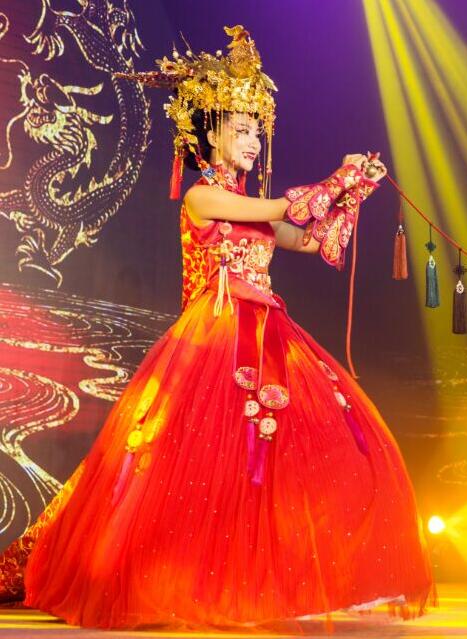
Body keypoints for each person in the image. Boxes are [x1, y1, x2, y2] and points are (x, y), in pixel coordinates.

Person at [11, 26, 433, 628]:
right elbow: (284, 208)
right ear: (212, 135)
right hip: (215, 335)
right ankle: (177, 582)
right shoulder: (203, 199)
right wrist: (337, 179)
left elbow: (314, 240)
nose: (253, 141)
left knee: (282, 458)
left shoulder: (250, 206)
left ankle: (250, 586)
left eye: (258, 131)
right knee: (201, 467)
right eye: (241, 130)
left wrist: (355, 192)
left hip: (265, 332)